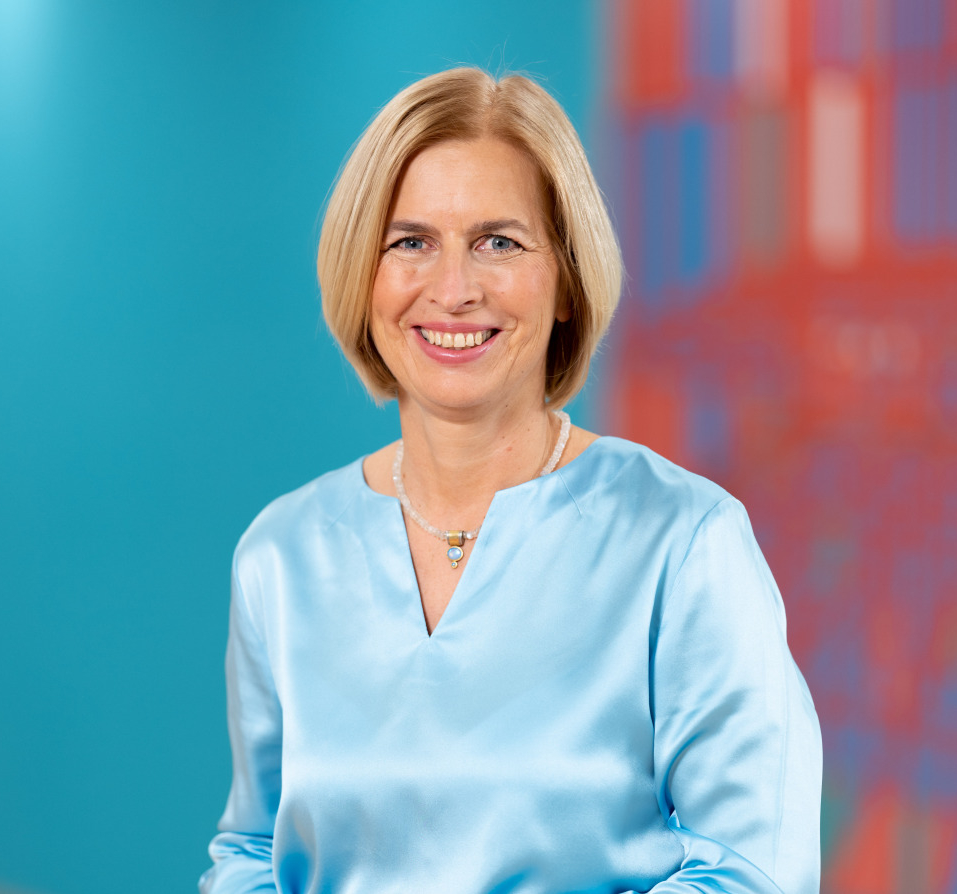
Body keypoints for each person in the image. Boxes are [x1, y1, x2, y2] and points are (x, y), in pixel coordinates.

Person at [199, 67, 821, 894]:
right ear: (363, 275)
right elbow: (252, 851)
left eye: (499, 242)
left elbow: (752, 872)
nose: (454, 290)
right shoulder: (283, 556)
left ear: (565, 280)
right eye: (410, 242)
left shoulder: (683, 543)